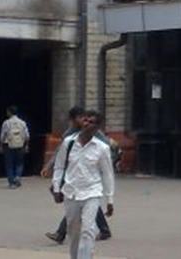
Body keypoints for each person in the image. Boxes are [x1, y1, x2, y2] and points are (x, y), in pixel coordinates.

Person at [51, 109, 115, 258]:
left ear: (97, 127)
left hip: (92, 192)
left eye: (92, 122)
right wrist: (56, 188)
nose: (87, 124)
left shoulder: (102, 148)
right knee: (74, 231)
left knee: (88, 230)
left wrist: (110, 199)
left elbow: (108, 174)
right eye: (86, 120)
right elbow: (59, 166)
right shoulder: (69, 143)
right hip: (71, 192)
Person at [0, 105, 30, 188]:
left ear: (9, 112)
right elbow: (27, 135)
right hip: (20, 145)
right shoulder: (22, 123)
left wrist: (1, 146)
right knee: (19, 163)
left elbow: (3, 135)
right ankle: (17, 176)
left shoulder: (6, 123)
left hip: (8, 145)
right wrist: (27, 145)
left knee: (9, 164)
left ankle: (11, 183)